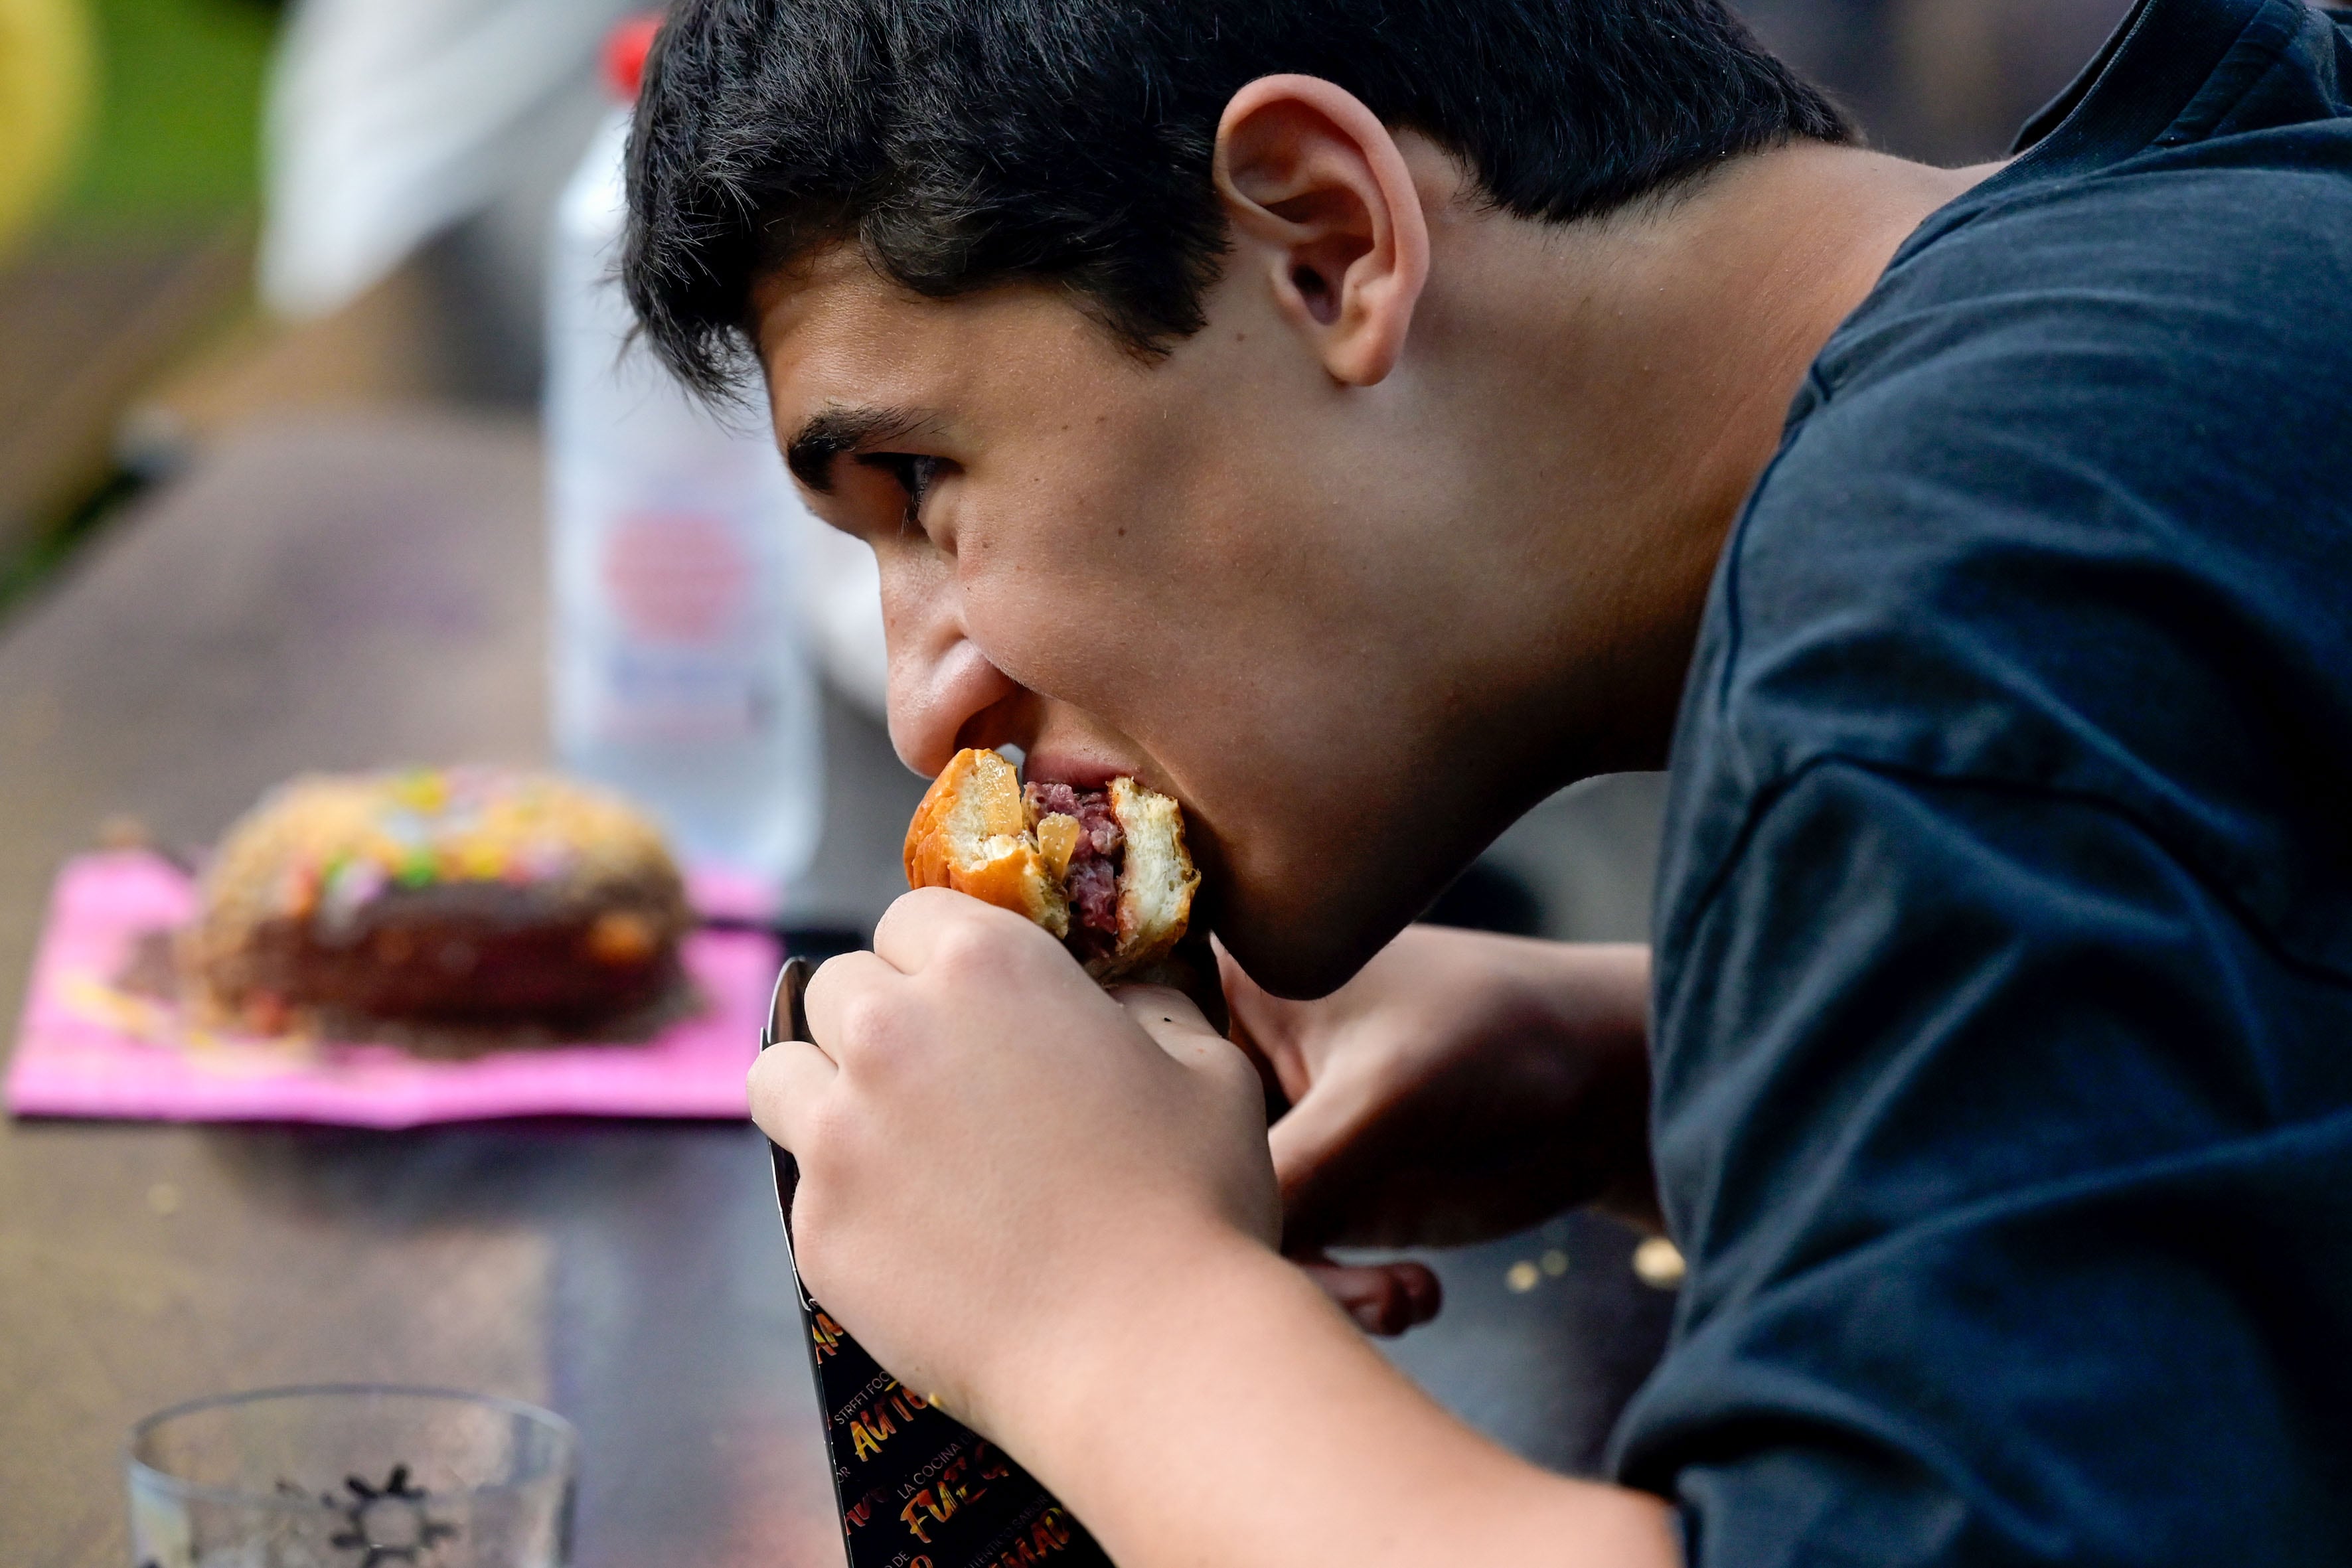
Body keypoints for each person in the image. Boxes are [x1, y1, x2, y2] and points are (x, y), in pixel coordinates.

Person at [625, 0, 2352, 1561]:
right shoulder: (2220, 274)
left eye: (922, 481)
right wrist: (1668, 1069)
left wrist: (1106, 1313)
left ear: (1326, 241)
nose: (934, 707)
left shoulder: (1964, 579)